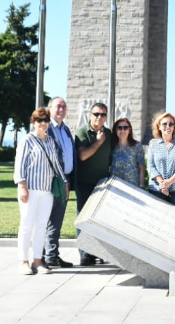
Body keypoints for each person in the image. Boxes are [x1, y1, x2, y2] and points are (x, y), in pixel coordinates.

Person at [13, 107, 67, 275]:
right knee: (27, 225)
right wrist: (22, 185)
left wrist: (64, 182)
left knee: (42, 226)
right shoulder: (27, 140)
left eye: (45, 120)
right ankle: (23, 261)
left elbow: (56, 163)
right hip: (30, 188)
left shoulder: (50, 141)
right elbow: (19, 164)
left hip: (47, 190)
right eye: (39, 120)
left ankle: (38, 260)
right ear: (33, 122)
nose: (43, 123)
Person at [75, 102, 114, 266]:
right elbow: (82, 155)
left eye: (103, 115)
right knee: (83, 218)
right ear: (90, 115)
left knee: (98, 219)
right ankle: (84, 253)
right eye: (96, 114)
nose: (99, 117)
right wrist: (98, 142)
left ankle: (95, 252)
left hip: (102, 183)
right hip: (84, 183)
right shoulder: (82, 132)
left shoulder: (108, 133)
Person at [44, 97, 78, 268]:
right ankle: (42, 256)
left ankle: (52, 255)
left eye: (64, 106)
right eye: (58, 106)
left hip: (65, 181)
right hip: (50, 182)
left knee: (57, 221)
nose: (61, 109)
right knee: (45, 220)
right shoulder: (45, 128)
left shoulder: (65, 129)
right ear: (49, 109)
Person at [147, 112, 175, 207]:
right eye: (164, 124)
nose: (168, 126)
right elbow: (150, 166)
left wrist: (168, 182)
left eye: (171, 124)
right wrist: (162, 184)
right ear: (159, 126)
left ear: (174, 127)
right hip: (156, 188)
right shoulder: (153, 145)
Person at [110, 117, 145, 188]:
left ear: (129, 130)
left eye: (125, 128)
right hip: (115, 186)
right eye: (119, 128)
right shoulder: (111, 146)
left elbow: (141, 167)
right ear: (115, 130)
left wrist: (141, 186)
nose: (122, 130)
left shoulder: (137, 146)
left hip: (132, 186)